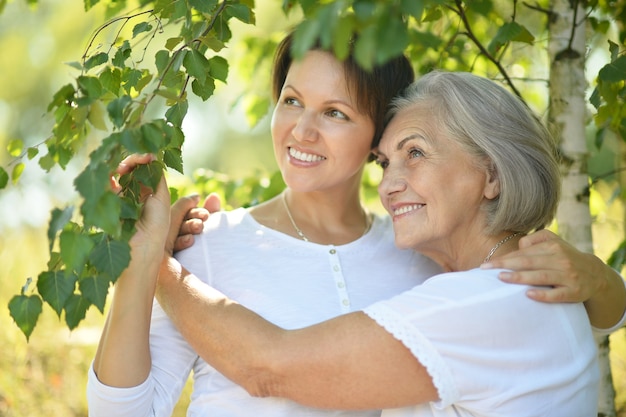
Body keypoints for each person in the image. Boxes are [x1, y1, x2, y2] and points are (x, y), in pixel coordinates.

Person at [86, 28, 625, 416]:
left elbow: (268, 364)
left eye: (336, 112)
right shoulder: (206, 246)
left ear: (375, 135)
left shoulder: (432, 261)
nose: (302, 130)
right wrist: (145, 256)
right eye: (291, 101)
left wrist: (600, 278)